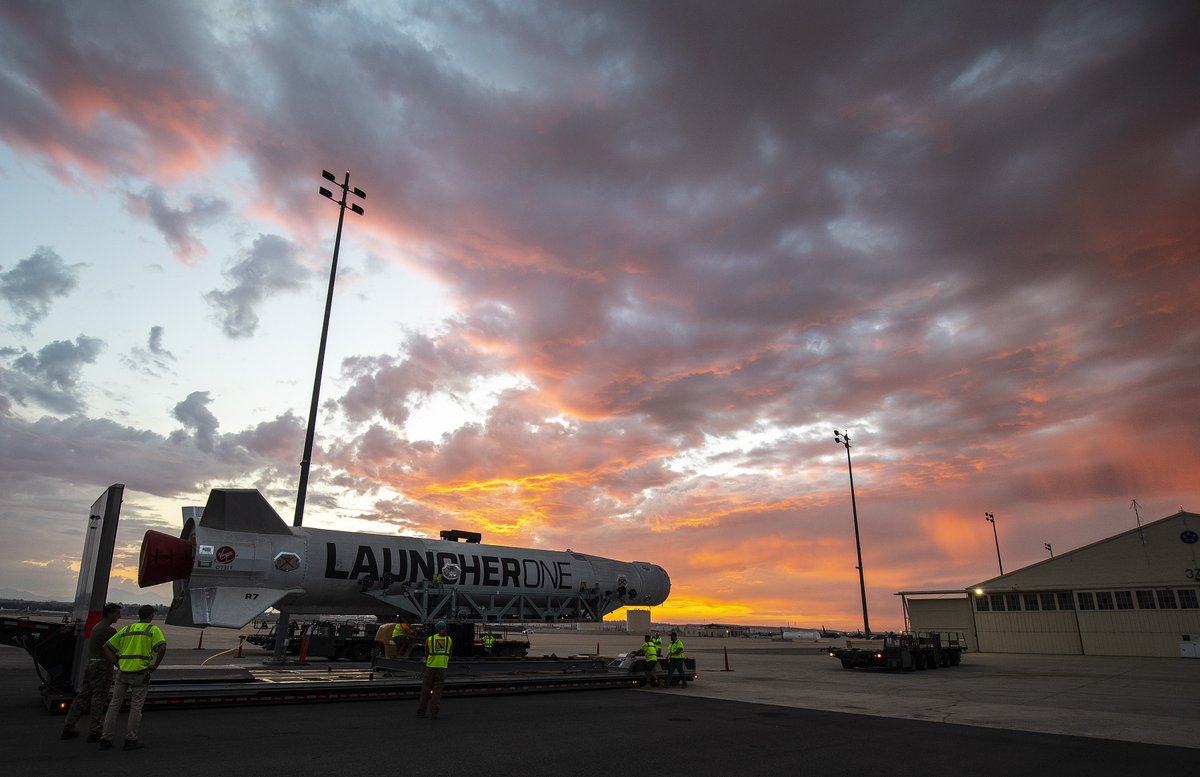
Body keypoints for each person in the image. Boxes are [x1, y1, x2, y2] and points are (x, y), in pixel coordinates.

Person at [99, 604, 166, 751]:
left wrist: (115, 662)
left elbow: (105, 647)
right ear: (150, 616)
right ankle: (131, 739)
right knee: (135, 708)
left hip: (122, 673)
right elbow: (162, 647)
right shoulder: (152, 629)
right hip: (140, 674)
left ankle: (106, 738)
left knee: (113, 706)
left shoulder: (126, 629)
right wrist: (155, 665)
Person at [61, 603, 121, 742]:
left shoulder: (97, 627)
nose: (119, 616)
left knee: (83, 696)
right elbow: (119, 648)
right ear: (110, 614)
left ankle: (69, 725)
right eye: (117, 613)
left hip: (91, 665)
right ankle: (95, 730)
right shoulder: (109, 631)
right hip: (102, 666)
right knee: (98, 698)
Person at [416, 620, 453, 719]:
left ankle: (421, 712)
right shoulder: (449, 640)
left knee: (425, 690)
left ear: (436, 629)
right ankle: (434, 713)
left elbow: (426, 653)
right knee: (437, 691)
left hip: (431, 667)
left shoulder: (430, 639)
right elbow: (450, 653)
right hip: (442, 668)